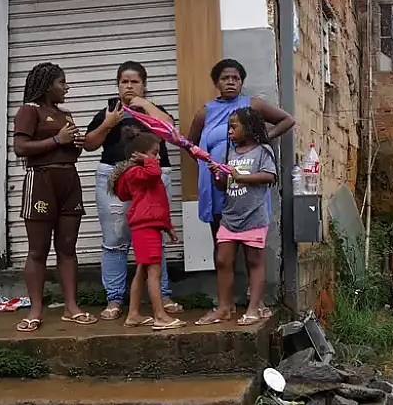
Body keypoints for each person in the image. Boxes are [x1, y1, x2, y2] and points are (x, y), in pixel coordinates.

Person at [83, 61, 183, 321]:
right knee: (115, 240)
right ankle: (115, 298)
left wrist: (145, 106)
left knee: (154, 234)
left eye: (134, 82)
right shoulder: (108, 111)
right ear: (117, 85)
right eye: (124, 82)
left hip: (153, 178)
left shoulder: (153, 109)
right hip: (117, 178)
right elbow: (89, 145)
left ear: (144, 86)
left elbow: (172, 133)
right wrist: (108, 123)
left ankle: (162, 294)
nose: (128, 86)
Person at [11, 62, 97, 332]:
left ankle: (71, 307)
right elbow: (20, 147)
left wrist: (76, 145)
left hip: (69, 181)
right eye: (62, 83)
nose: (67, 87)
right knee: (38, 250)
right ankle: (35, 310)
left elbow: (69, 153)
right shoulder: (29, 111)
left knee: (68, 248)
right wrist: (57, 141)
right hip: (41, 182)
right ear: (47, 85)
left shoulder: (65, 114)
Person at [187, 59, 293, 259]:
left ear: (242, 82)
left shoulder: (253, 105)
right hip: (218, 184)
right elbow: (190, 144)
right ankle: (224, 288)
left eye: (236, 78)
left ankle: (252, 287)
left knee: (251, 246)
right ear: (216, 83)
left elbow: (287, 120)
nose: (230, 82)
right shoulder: (205, 112)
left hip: (246, 184)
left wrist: (261, 140)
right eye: (225, 78)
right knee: (221, 245)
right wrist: (208, 166)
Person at [196, 108, 277, 326]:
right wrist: (217, 174)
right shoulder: (230, 153)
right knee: (222, 260)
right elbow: (223, 185)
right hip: (230, 216)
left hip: (253, 216)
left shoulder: (263, 150)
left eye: (234, 126)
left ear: (249, 128)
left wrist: (241, 176)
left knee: (254, 261)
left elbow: (269, 176)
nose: (229, 131)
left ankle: (253, 308)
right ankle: (223, 308)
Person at [109, 128, 186, 330]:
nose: (158, 157)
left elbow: (158, 203)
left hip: (150, 225)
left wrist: (168, 227)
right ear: (140, 155)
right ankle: (160, 315)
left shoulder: (145, 173)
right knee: (155, 272)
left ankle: (133, 315)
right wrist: (147, 161)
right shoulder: (137, 173)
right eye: (154, 153)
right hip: (145, 227)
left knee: (143, 270)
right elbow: (154, 172)